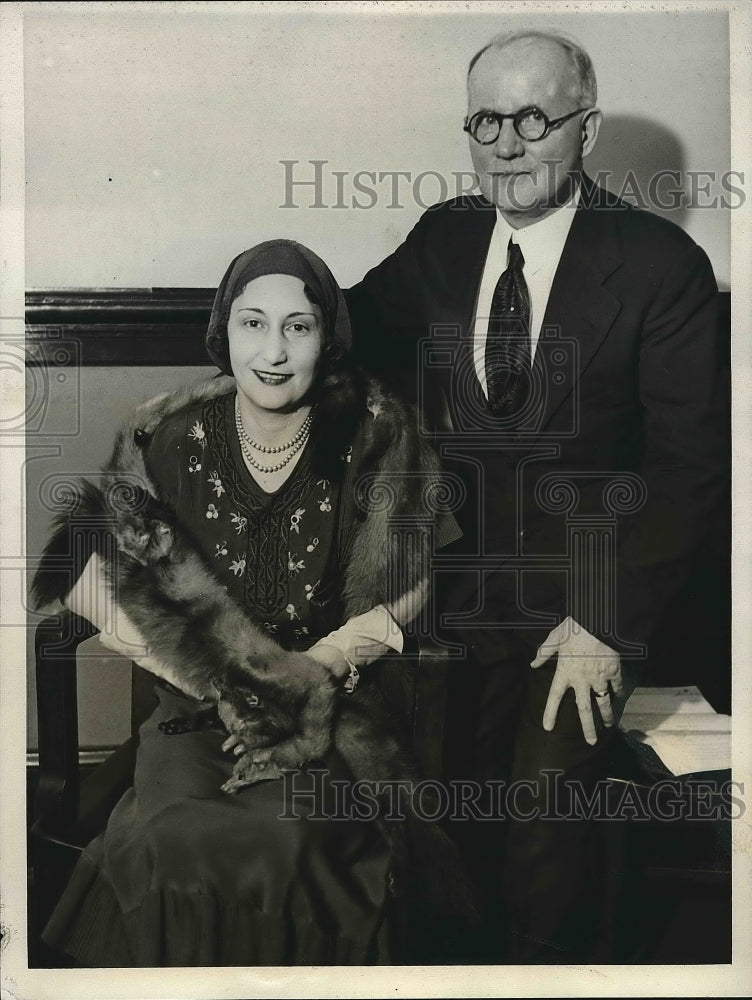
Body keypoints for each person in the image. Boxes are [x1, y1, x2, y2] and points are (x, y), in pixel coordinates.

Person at [345, 30, 728, 962]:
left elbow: (690, 468)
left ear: (585, 128)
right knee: (436, 822)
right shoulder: (443, 239)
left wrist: (604, 620)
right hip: (453, 599)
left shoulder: (660, 264)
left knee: (548, 827)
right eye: (486, 120)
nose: (507, 144)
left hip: (585, 605)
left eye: (533, 118)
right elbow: (338, 330)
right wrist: (239, 346)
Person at [36, 239, 466, 967]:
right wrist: (204, 678)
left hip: (327, 710)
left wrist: (325, 663)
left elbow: (412, 578)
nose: (273, 350)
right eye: (252, 323)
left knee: (289, 838)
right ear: (222, 331)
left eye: (297, 326)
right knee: (175, 840)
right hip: (196, 715)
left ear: (327, 337)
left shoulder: (378, 438)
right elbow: (96, 567)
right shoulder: (169, 437)